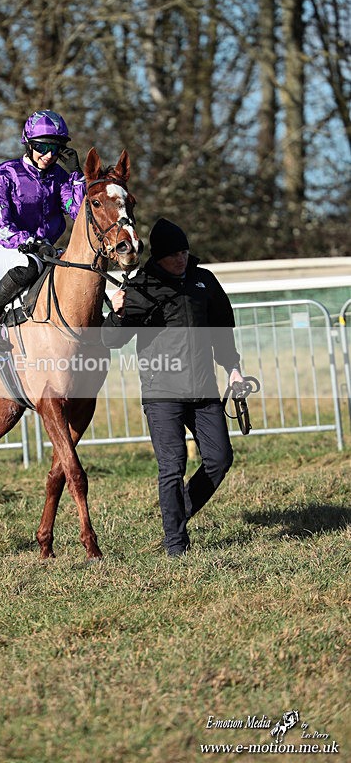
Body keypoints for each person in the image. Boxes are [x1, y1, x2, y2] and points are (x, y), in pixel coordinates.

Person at [101, 217, 245, 558]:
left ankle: (177, 511)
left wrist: (234, 370)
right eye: (173, 255)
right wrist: (117, 312)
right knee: (173, 466)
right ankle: (176, 544)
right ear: (158, 258)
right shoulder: (143, 286)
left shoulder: (203, 281)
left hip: (204, 388)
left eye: (184, 252)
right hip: (162, 391)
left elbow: (221, 330)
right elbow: (110, 340)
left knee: (220, 458)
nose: (180, 259)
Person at [0, 109, 85, 347]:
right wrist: (29, 242)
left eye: (55, 149)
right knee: (28, 265)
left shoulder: (60, 177)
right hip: (7, 249)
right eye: (42, 147)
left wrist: (77, 176)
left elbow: (77, 211)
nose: (49, 155)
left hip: (45, 250)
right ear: (29, 145)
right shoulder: (3, 175)